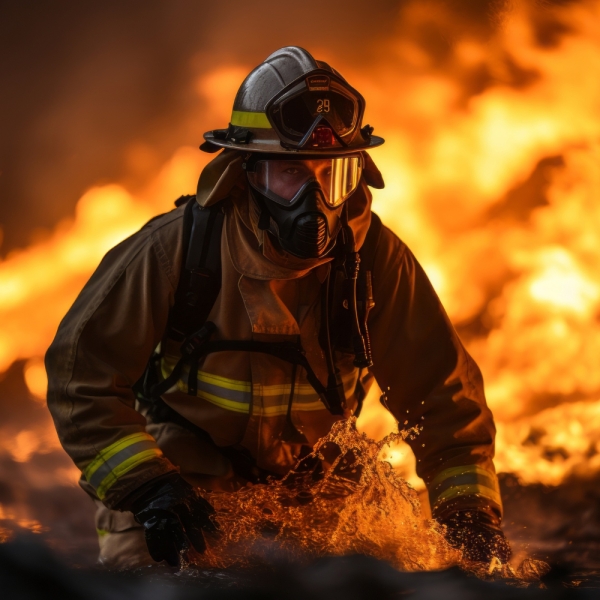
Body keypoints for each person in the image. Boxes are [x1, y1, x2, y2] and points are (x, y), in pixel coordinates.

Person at [45, 46, 510, 569]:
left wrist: (471, 513)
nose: (313, 201)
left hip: (318, 496)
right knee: (154, 587)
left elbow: (444, 400)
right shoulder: (175, 251)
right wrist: (147, 488)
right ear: (247, 173)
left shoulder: (374, 261)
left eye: (331, 176)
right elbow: (79, 378)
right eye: (290, 172)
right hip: (185, 494)